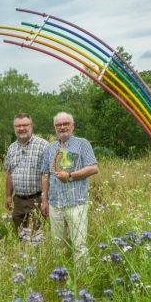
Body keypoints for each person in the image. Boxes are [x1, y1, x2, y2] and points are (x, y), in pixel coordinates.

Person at [40, 112, 98, 272]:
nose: (62, 127)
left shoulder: (82, 144)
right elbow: (45, 174)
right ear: (55, 128)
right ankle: (61, 277)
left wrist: (71, 176)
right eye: (59, 125)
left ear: (72, 125)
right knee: (57, 244)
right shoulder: (50, 148)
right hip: (55, 204)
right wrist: (44, 200)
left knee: (79, 244)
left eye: (66, 124)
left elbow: (94, 168)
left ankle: (82, 279)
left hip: (76, 203)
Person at [4, 113, 48, 233]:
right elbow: (10, 173)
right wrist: (8, 196)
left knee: (36, 238)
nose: (22, 128)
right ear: (14, 128)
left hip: (36, 199)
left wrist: (45, 200)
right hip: (18, 201)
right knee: (21, 237)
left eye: (25, 125)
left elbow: (46, 175)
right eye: (18, 126)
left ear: (31, 126)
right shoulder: (12, 148)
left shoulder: (43, 145)